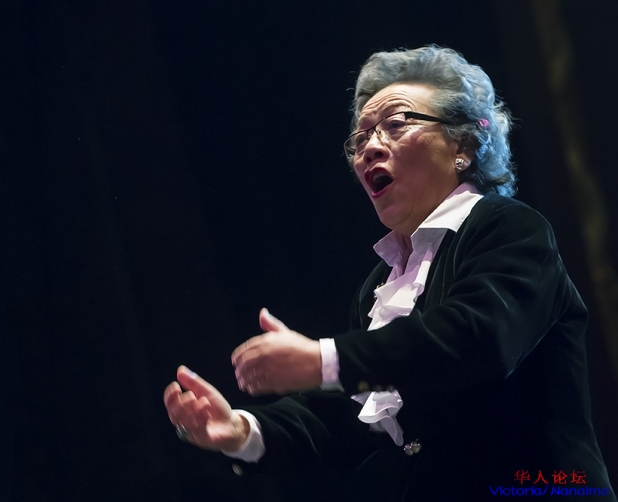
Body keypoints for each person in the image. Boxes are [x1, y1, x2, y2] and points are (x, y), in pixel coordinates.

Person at [163, 46, 615, 500]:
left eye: (396, 124)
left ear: (462, 146)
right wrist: (242, 430)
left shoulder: (509, 228)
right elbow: (349, 416)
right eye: (360, 138)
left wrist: (322, 360)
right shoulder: (378, 288)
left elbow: (478, 338)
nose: (370, 148)